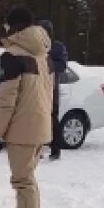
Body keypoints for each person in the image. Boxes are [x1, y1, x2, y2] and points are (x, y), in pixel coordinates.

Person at [0, 7, 53, 208]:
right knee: (29, 179)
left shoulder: (13, 56)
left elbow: (7, 100)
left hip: (22, 129)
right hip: (40, 126)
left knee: (22, 181)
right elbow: (49, 92)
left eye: (7, 25)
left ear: (14, 27)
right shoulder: (43, 54)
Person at [37, 19, 69, 160]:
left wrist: (45, 62)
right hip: (36, 89)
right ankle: (38, 148)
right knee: (36, 120)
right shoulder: (34, 47)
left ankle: (55, 149)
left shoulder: (57, 47)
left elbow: (61, 65)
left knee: (52, 120)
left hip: (51, 90)